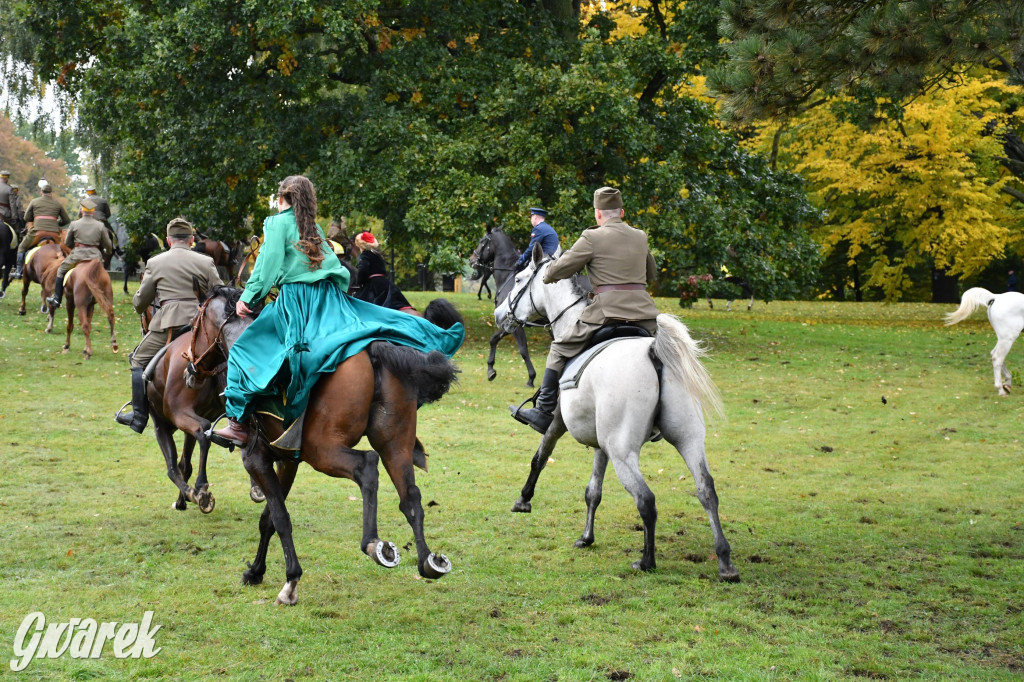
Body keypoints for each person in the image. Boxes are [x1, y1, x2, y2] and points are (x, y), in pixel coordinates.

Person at [210, 175, 464, 447]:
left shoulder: (275, 223)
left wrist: (248, 296)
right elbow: (337, 270)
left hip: (296, 302)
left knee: (243, 349)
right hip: (329, 299)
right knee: (376, 323)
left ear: (282, 197)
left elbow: (267, 266)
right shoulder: (313, 227)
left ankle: (237, 424)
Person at [511, 186, 660, 434]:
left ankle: (543, 410)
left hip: (606, 313)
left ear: (597, 215)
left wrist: (547, 274)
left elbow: (559, 269)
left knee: (559, 348)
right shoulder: (640, 236)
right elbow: (652, 274)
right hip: (646, 316)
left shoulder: (592, 237)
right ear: (621, 212)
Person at [115, 217, 224, 433]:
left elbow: (140, 304)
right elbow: (220, 294)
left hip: (168, 325)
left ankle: (138, 415)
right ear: (191, 239)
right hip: (199, 325)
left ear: (167, 240)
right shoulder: (205, 261)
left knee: (138, 360)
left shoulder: (155, 263)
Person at [46, 198, 114, 309]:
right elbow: (108, 244)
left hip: (77, 256)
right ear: (93, 212)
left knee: (61, 270)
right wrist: (109, 251)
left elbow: (67, 242)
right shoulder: (100, 226)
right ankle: (105, 297)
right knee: (103, 275)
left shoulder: (74, 224)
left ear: (81, 211)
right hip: (95, 257)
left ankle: (57, 299)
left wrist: (76, 247)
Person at [12, 183, 70, 278]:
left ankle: (19, 271)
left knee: (22, 247)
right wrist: (55, 223)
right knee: (64, 249)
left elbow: (27, 217)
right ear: (51, 193)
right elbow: (66, 220)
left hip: (37, 232)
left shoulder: (34, 201)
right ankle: (67, 271)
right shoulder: (57, 204)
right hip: (54, 233)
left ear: (41, 192)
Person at [352, 231, 414, 311]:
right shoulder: (377, 254)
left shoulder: (365, 255)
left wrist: (360, 282)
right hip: (385, 282)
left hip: (374, 284)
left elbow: (363, 270)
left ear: (362, 246)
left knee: (357, 302)